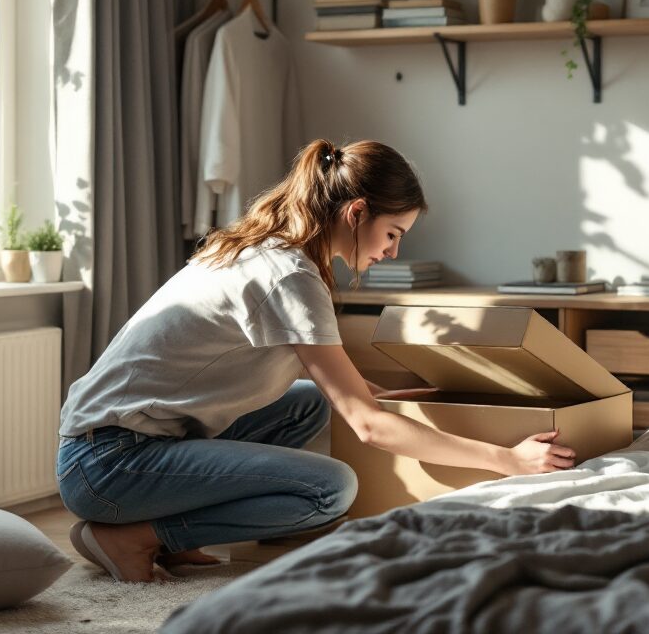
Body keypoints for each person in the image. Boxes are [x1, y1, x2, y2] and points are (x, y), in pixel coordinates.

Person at [55, 139, 577, 582]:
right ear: (356, 213)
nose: (393, 252)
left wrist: (388, 396)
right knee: (330, 490)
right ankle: (138, 536)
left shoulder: (268, 249)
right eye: (393, 233)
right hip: (110, 465)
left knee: (307, 405)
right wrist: (505, 461)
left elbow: (329, 382)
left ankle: (167, 530)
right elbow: (369, 429)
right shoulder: (291, 276)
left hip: (115, 445)